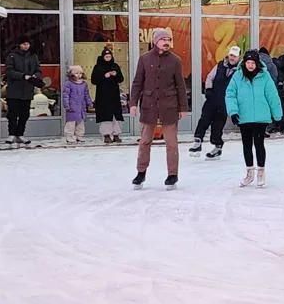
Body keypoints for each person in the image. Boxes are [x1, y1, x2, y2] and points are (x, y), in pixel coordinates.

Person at [132, 28, 188, 188]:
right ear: (156, 41)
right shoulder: (144, 59)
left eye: (169, 40)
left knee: (171, 143)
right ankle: (141, 172)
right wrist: (133, 103)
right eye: (164, 40)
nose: (167, 43)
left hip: (169, 106)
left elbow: (180, 86)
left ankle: (172, 175)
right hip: (149, 106)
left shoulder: (175, 60)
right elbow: (137, 82)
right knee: (145, 142)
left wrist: (183, 107)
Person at [226, 50, 284, 187]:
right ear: (244, 63)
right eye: (248, 62)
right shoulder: (238, 76)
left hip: (260, 116)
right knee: (246, 145)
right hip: (244, 116)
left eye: (253, 63)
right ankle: (249, 172)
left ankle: (261, 172)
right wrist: (233, 111)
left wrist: (277, 115)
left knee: (259, 144)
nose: (250, 66)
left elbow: (272, 95)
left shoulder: (264, 76)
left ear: (257, 63)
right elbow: (230, 94)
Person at [192, 46, 238, 158]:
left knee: (217, 126)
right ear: (228, 55)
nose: (232, 58)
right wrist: (208, 89)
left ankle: (217, 146)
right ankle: (198, 141)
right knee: (204, 119)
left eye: (235, 56)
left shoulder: (239, 72)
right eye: (231, 55)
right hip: (212, 99)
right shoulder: (219, 65)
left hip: (225, 103)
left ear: (238, 58)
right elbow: (209, 77)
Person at [4, 38, 43, 144]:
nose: (26, 46)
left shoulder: (33, 56)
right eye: (24, 44)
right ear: (19, 44)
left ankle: (20, 134)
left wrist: (35, 76)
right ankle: (11, 134)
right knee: (12, 114)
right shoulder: (12, 56)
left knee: (24, 114)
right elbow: (9, 71)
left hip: (27, 89)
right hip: (14, 89)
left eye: (28, 44)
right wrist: (22, 76)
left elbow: (39, 69)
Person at [91, 46, 127, 145]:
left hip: (114, 95)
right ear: (103, 57)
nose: (108, 58)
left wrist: (116, 74)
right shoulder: (98, 67)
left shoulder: (115, 66)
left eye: (109, 56)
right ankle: (106, 135)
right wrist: (103, 76)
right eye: (106, 57)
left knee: (116, 115)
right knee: (105, 116)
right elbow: (94, 80)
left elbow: (121, 79)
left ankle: (116, 134)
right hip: (103, 95)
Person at [60, 65, 93, 143]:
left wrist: (89, 102)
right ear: (72, 74)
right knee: (71, 123)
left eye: (80, 73)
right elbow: (65, 95)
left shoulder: (84, 84)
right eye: (76, 73)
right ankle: (69, 136)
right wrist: (66, 105)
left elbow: (86, 94)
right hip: (72, 106)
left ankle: (79, 136)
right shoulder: (68, 83)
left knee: (80, 122)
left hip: (81, 106)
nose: (78, 75)